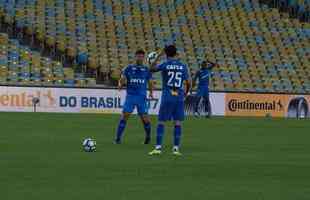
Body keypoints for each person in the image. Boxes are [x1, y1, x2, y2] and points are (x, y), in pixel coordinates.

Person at [148, 45, 191, 156]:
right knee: (177, 122)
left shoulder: (165, 64)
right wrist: (185, 93)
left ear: (166, 54)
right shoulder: (183, 66)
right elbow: (188, 82)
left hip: (167, 96)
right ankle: (176, 149)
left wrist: (158, 56)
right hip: (179, 96)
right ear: (176, 53)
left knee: (161, 121)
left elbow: (151, 69)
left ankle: (158, 148)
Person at [114, 50, 153, 144]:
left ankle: (148, 136)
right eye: (138, 56)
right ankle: (118, 138)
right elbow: (122, 79)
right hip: (131, 96)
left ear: (144, 58)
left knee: (145, 119)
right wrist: (120, 84)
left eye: (141, 56)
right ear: (135, 57)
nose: (140, 58)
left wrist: (151, 92)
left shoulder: (146, 69)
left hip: (141, 97)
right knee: (124, 117)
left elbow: (150, 82)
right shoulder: (128, 68)